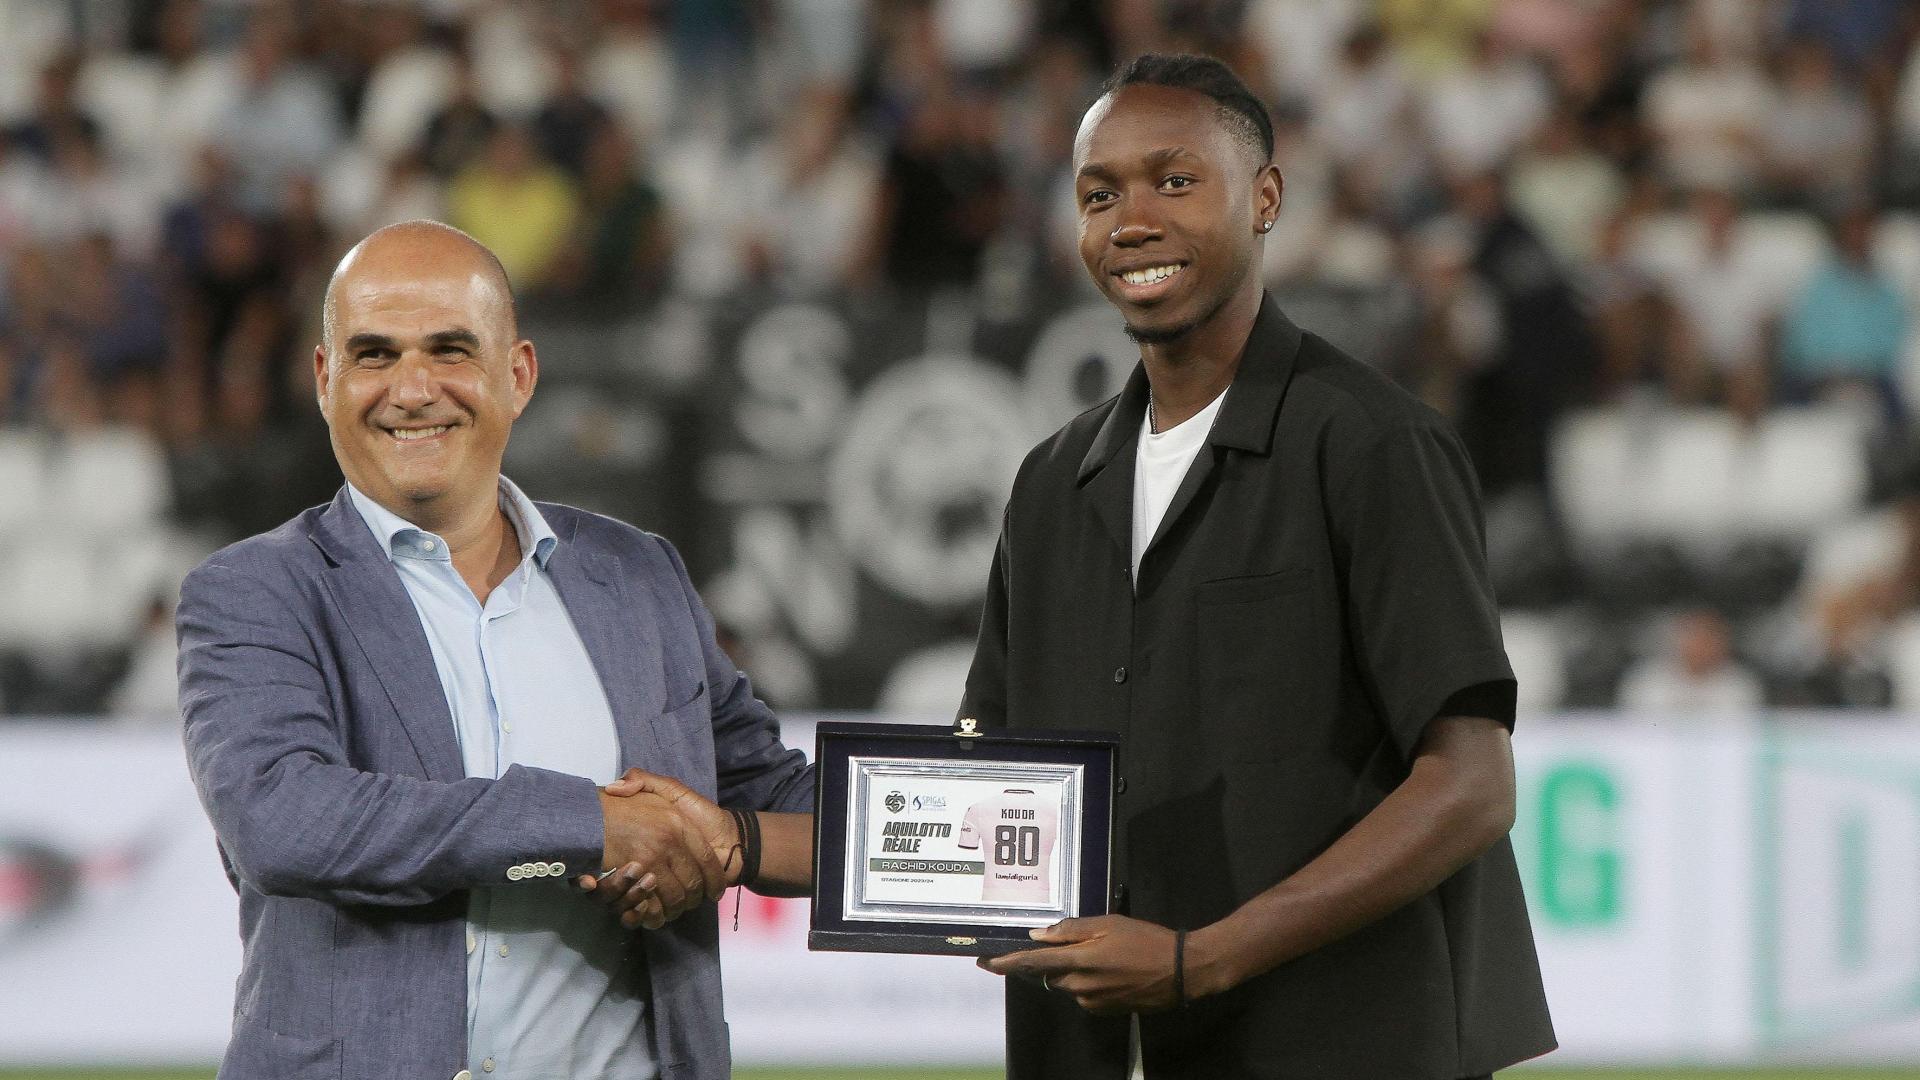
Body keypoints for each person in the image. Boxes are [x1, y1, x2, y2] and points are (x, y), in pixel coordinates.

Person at [969, 55, 1556, 1078]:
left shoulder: (1375, 443)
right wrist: (734, 845)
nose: (1132, 221)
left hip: (1346, 1046)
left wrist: (1202, 960)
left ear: (1267, 197)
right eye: (1099, 195)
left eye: (1175, 181)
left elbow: (1470, 785)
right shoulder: (1050, 485)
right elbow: (979, 787)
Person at [176, 220, 813, 1079]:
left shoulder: (638, 575)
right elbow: (286, 820)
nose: (412, 390)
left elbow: (771, 794)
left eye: (449, 350)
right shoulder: (254, 591)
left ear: (518, 376)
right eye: (374, 355)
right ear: (325, 380)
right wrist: (595, 827)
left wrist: (970, 826)